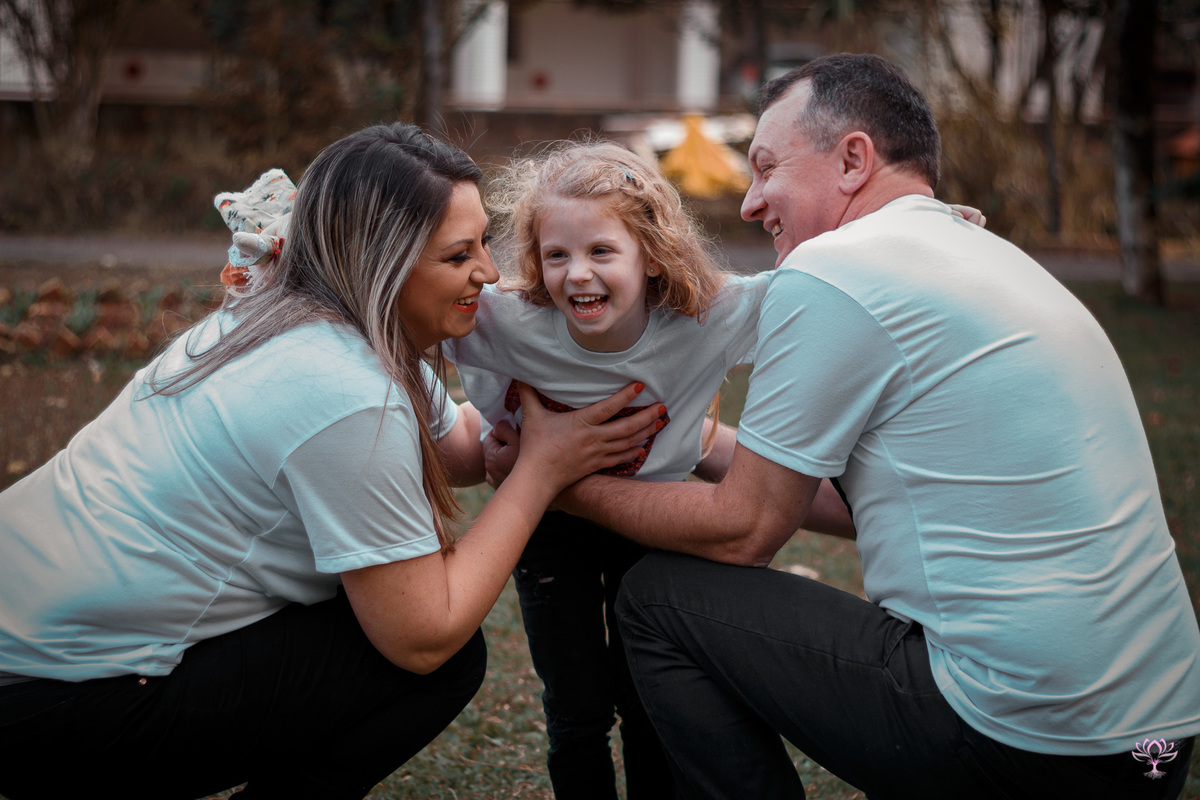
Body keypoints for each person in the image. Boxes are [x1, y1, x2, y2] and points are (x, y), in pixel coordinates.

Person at [490, 53, 1200, 799]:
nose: (749, 202)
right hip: (1151, 741)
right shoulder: (989, 257)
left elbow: (745, 531)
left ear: (854, 159)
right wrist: (700, 444)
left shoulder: (833, 271)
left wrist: (554, 479)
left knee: (659, 597)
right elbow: (868, 501)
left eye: (766, 168)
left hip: (1018, 735)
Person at [0, 121, 665, 800]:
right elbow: (423, 636)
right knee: (436, 666)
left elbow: (459, 448)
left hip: (31, 647)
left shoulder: (293, 314)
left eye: (484, 244)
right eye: (458, 255)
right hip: (54, 697)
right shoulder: (342, 390)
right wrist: (539, 472)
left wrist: (542, 423)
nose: (489, 273)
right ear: (385, 262)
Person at [443, 140, 796, 800]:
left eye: (601, 251)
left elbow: (813, 291)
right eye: (557, 255)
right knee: (574, 708)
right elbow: (419, 302)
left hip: (654, 524)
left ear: (651, 251)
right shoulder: (516, 323)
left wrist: (911, 228)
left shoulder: (705, 321)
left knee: (648, 701)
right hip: (550, 528)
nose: (577, 274)